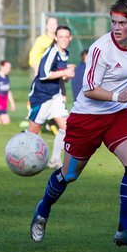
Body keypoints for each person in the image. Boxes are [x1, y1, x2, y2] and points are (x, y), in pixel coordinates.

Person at [30, 0, 127, 251]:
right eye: (113, 23)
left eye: (121, 23)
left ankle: (125, 230)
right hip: (88, 117)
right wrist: (119, 94)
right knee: (69, 175)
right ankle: (43, 209)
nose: (116, 28)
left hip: (118, 115)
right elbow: (90, 89)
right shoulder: (100, 48)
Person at [26, 24, 75, 169]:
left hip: (55, 95)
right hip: (41, 96)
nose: (64, 40)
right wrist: (65, 72)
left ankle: (54, 160)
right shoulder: (52, 52)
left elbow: (59, 73)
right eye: (61, 37)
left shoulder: (65, 53)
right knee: (33, 132)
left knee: (66, 127)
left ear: (70, 38)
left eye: (67, 37)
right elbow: (44, 74)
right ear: (55, 38)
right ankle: (22, 159)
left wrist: (65, 76)